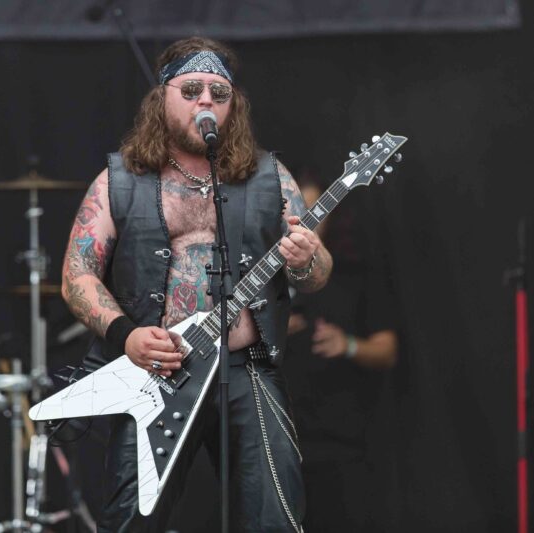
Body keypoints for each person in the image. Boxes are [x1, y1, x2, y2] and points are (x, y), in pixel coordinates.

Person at [60, 37, 333, 532]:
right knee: (132, 520)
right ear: (161, 99)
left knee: (276, 517)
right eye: (190, 90)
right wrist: (126, 335)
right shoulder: (118, 180)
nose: (205, 100)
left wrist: (305, 258)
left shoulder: (270, 176)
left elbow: (315, 276)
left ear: (233, 106)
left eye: (218, 92)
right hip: (158, 374)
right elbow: (77, 275)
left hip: (246, 368)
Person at [285, 174, 398, 532]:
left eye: (316, 209)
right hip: (282, 441)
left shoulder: (356, 277)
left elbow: (387, 350)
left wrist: (347, 344)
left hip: (339, 442)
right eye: (299, 209)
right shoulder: (268, 279)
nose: (308, 218)